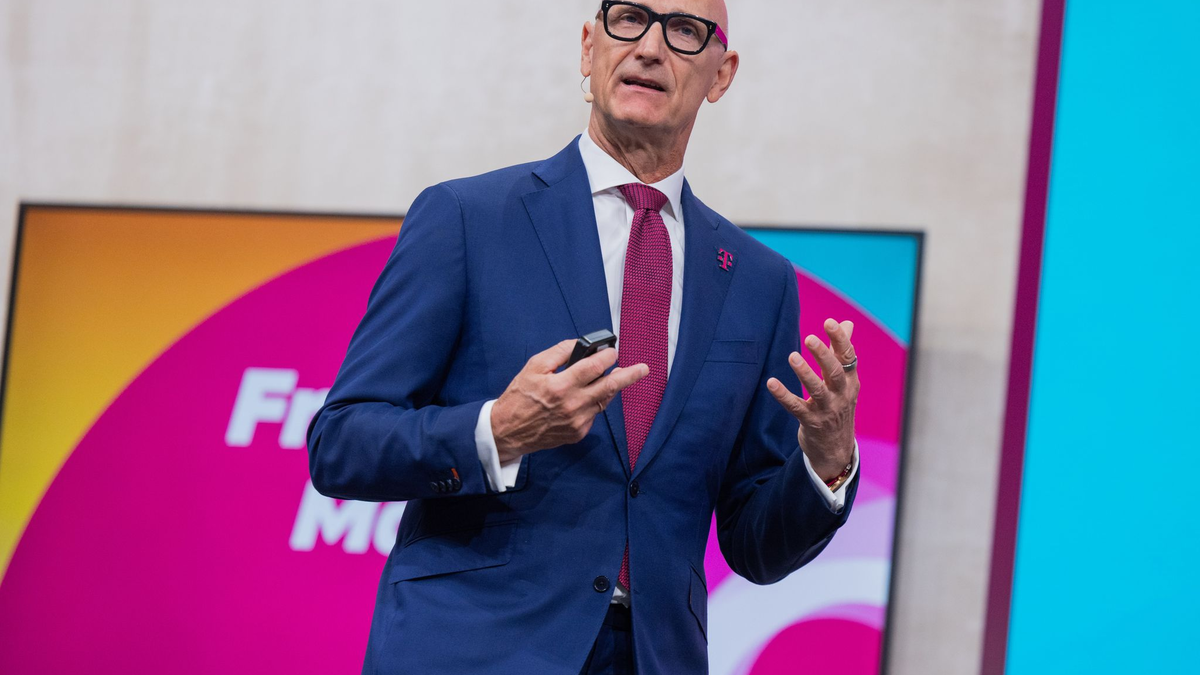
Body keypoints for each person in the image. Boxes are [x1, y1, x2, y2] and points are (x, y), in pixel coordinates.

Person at [307, 1, 862, 673]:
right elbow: (342, 442)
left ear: (722, 74)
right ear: (588, 48)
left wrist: (825, 464)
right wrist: (498, 430)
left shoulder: (758, 281)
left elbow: (756, 545)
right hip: (473, 647)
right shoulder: (467, 219)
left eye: (685, 31)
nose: (651, 47)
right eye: (630, 17)